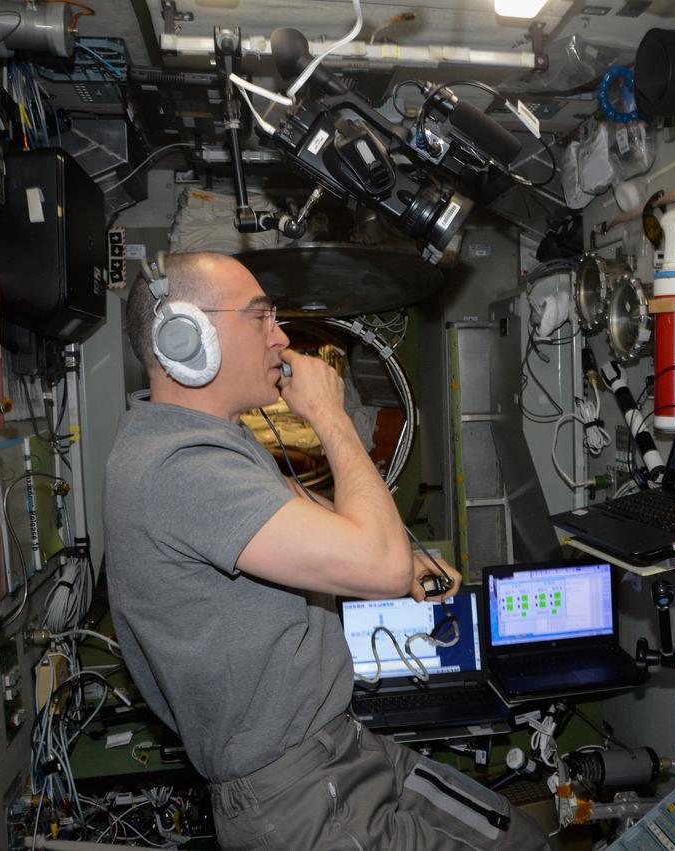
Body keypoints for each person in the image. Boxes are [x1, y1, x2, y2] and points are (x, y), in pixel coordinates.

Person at [104, 252, 549, 850]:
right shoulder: (181, 469)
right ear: (186, 336)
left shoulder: (206, 441)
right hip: (298, 798)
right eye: (260, 318)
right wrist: (330, 417)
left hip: (341, 750)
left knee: (517, 838)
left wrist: (395, 560)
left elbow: (297, 513)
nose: (281, 337)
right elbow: (381, 565)